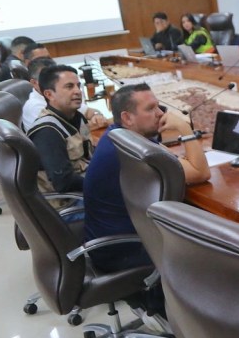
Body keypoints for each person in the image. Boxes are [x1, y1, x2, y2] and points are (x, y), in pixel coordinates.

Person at [84, 84, 210, 318]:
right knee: (214, 249)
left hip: (109, 241)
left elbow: (170, 159)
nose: (161, 113)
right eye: (150, 109)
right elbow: (201, 173)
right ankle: (184, 317)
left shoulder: (118, 136)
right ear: (127, 117)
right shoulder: (135, 153)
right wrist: (185, 128)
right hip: (124, 250)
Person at [27, 65, 94, 193]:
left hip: (86, 181)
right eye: (69, 87)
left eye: (78, 86)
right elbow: (64, 183)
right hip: (70, 201)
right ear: (49, 94)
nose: (78, 91)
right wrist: (103, 182)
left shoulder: (76, 116)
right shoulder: (47, 132)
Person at [21, 58, 108, 131]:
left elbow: (88, 111)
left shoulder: (61, 98)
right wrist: (95, 124)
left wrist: (97, 115)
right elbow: (67, 132)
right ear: (34, 83)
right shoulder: (35, 107)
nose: (77, 91)